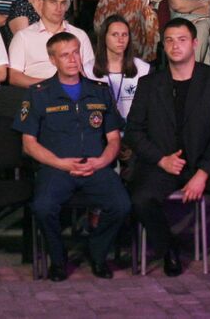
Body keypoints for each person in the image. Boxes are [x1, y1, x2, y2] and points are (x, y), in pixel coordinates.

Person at [125, 19, 210, 289]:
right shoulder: (149, 83)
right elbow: (134, 131)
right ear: (163, 46)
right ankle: (168, 249)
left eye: (182, 39)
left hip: (205, 163)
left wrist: (203, 173)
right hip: (163, 164)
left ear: (194, 43)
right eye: (170, 40)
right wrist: (161, 159)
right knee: (140, 197)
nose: (176, 45)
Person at [16, 32, 131, 281]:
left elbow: (113, 139)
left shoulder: (99, 91)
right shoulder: (38, 93)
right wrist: (60, 163)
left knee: (122, 205)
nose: (72, 59)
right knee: (43, 207)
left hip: (96, 166)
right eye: (65, 55)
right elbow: (28, 144)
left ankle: (97, 253)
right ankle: (58, 259)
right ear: (53, 60)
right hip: (56, 167)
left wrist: (102, 161)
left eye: (75, 52)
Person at [8, 0, 95, 87]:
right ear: (41, 4)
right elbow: (14, 77)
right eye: (53, 2)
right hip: (39, 93)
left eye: (63, 3)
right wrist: (52, 86)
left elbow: (91, 73)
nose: (59, 8)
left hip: (74, 92)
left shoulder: (79, 35)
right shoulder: (23, 36)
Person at [90, 15, 152, 120]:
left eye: (124, 35)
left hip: (133, 130)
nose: (121, 40)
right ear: (104, 37)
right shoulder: (88, 69)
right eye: (115, 35)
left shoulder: (143, 69)